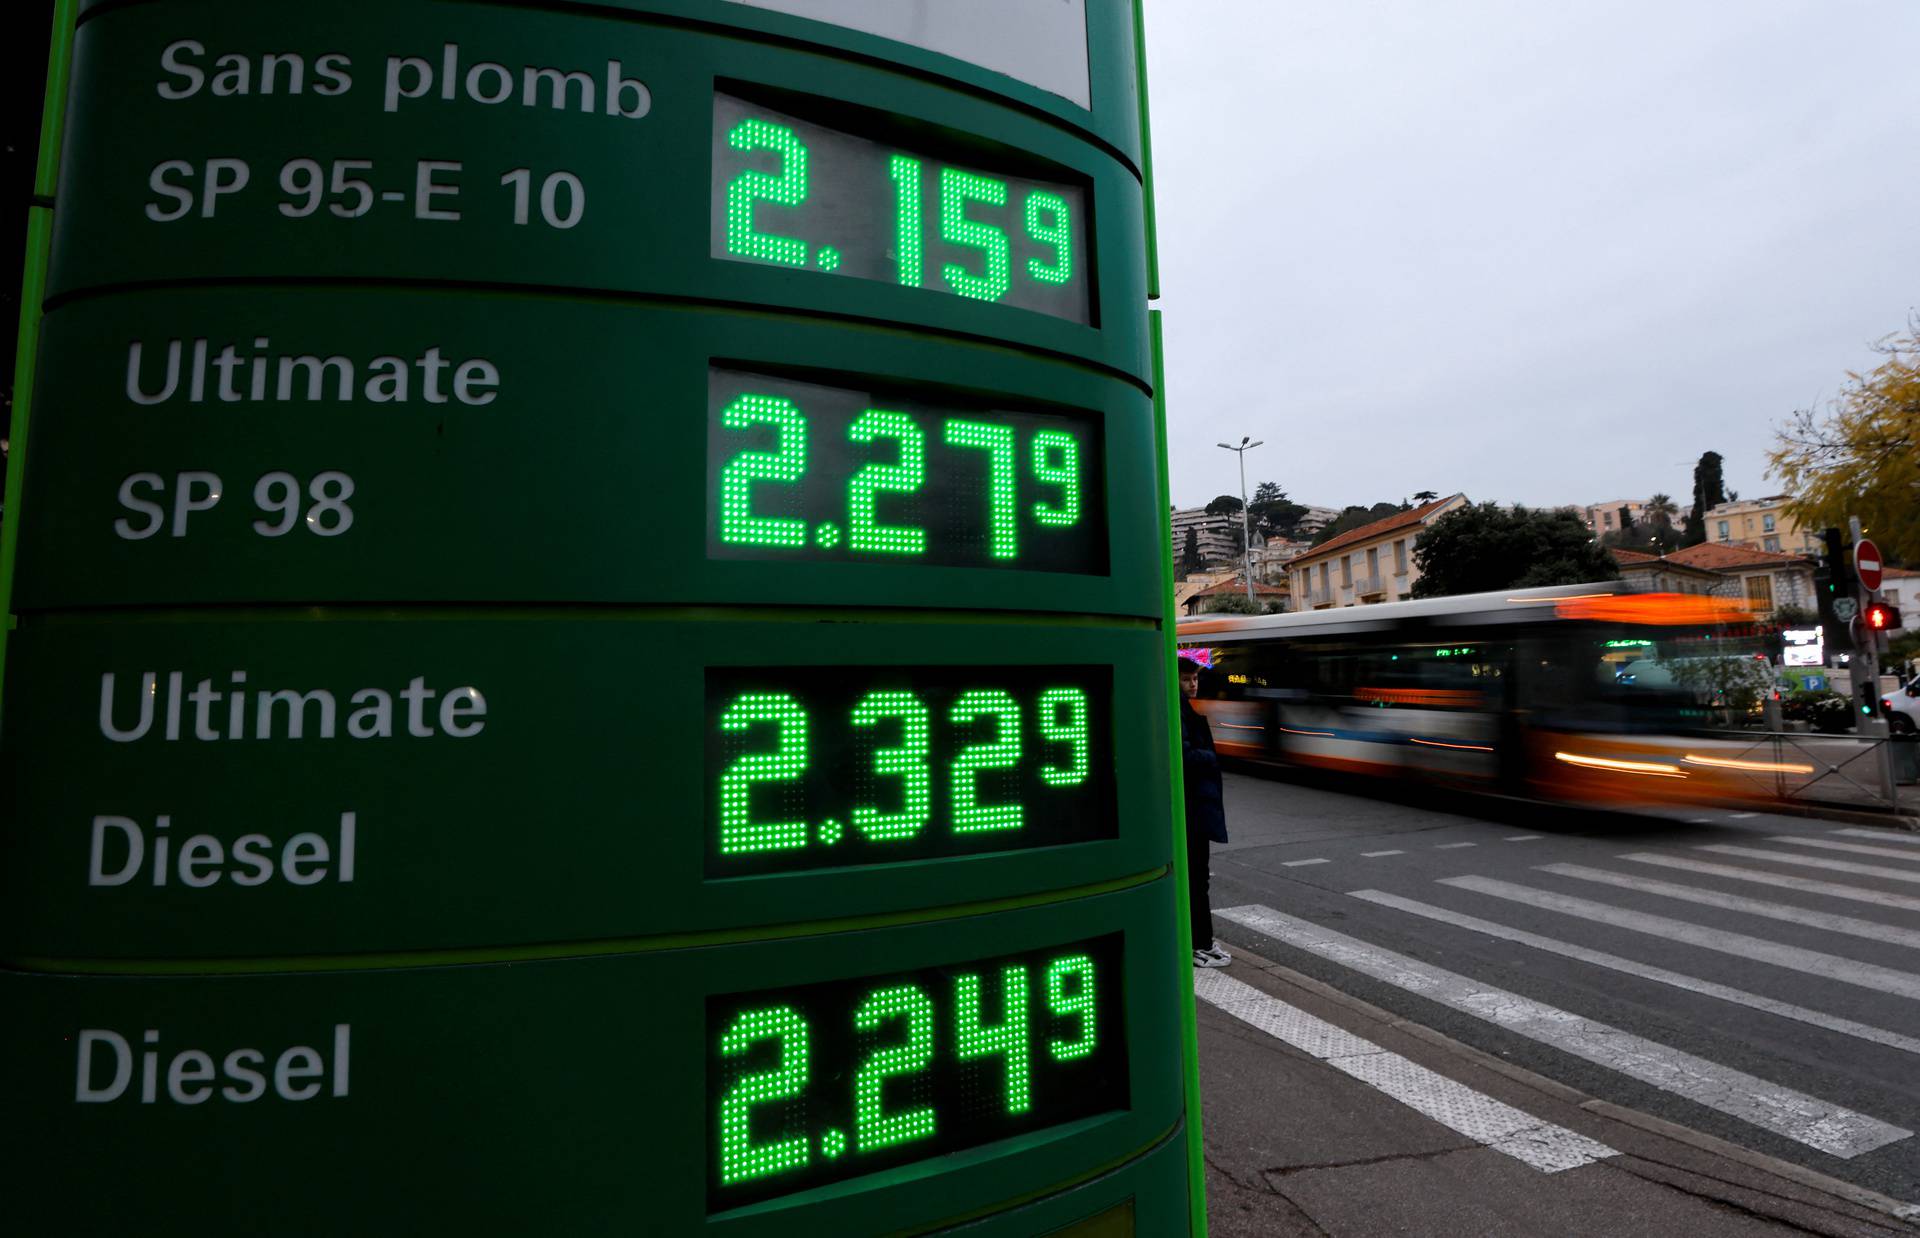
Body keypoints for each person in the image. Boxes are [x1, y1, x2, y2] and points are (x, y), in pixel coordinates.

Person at [1178, 657, 1231, 967]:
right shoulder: (1179, 713)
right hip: (1192, 810)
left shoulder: (1184, 710)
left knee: (1196, 877)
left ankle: (1200, 940)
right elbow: (1183, 755)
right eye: (1186, 679)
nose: (1193, 684)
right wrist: (1210, 757)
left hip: (1194, 807)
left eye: (1195, 678)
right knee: (1197, 878)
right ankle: (1200, 944)